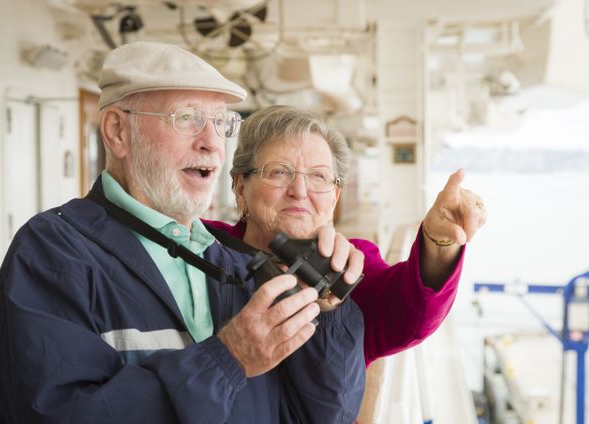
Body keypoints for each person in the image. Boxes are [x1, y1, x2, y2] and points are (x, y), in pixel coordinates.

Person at [0, 42, 366, 424]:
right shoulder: (53, 254)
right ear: (117, 131)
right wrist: (226, 359)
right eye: (186, 118)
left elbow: (324, 420)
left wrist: (325, 312)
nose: (212, 143)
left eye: (220, 122)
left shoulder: (233, 264)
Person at [204, 105, 487, 367]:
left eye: (319, 177)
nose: (300, 191)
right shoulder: (201, 246)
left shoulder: (349, 266)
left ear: (335, 196)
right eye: (279, 172)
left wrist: (439, 241)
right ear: (241, 188)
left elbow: (408, 315)